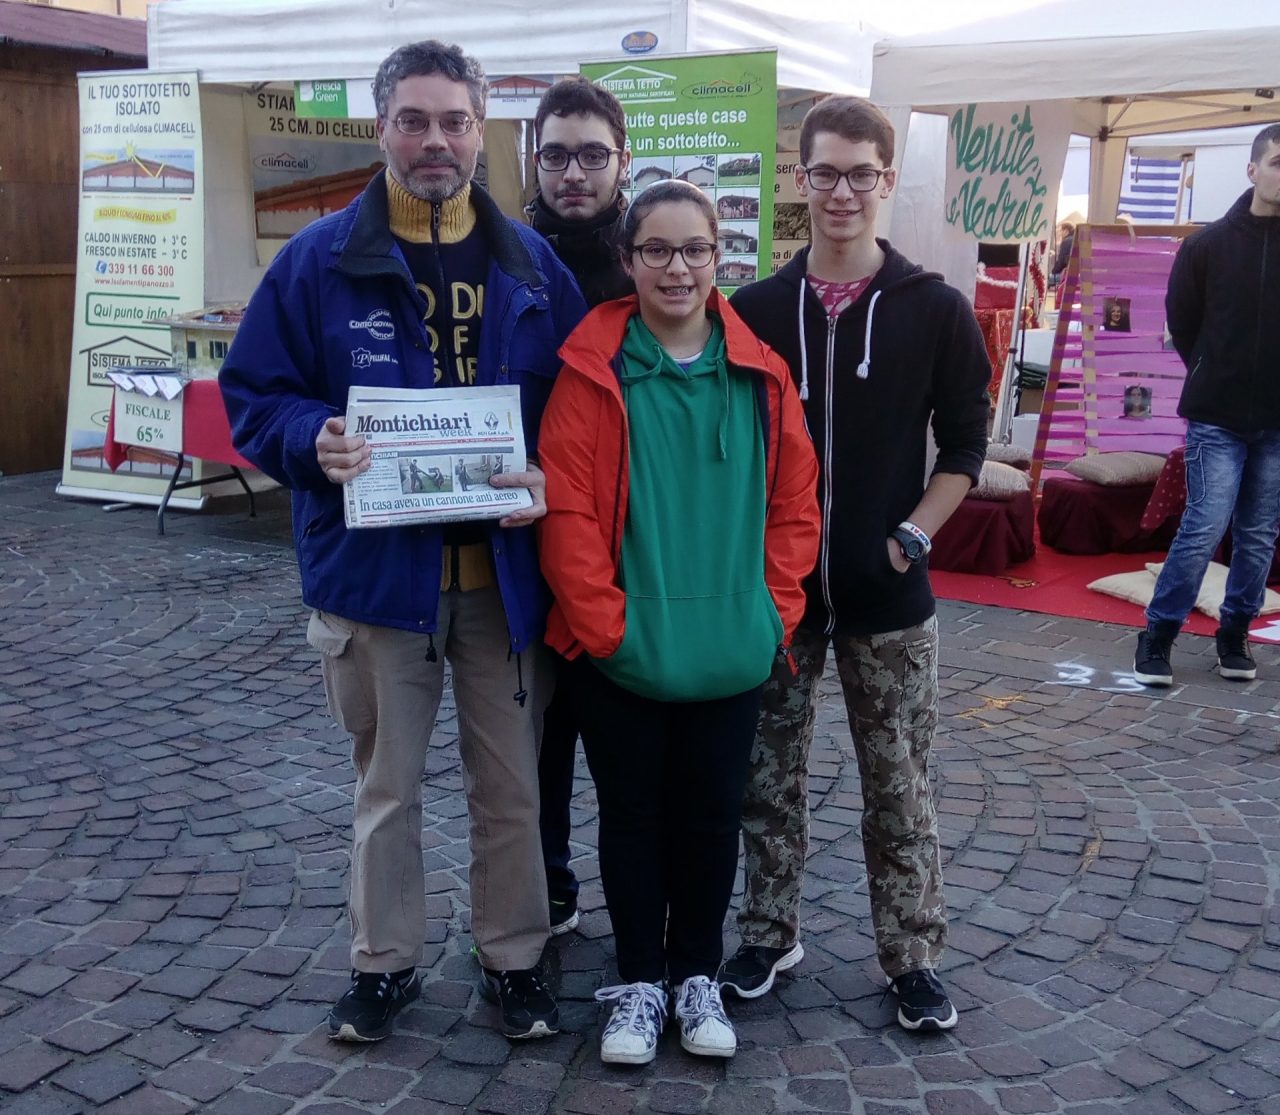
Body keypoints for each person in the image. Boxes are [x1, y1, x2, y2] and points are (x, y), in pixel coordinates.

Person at [218, 39, 587, 1044]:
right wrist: (310, 438)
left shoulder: (530, 262)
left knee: (510, 789)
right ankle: (382, 963)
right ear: (381, 126)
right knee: (386, 790)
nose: (436, 140)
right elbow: (254, 394)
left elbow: (578, 412)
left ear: (480, 132)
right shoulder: (316, 261)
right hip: (378, 581)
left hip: (504, 580)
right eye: (414, 120)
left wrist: (554, 481)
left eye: (454, 121)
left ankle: (512, 957)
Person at [720, 96, 990, 1033]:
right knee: (766, 776)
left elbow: (964, 447)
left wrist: (910, 536)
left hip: (889, 592)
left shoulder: (936, 309)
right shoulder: (751, 312)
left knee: (900, 783)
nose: (842, 191)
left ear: (884, 180)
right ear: (801, 180)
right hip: (780, 595)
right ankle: (766, 930)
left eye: (861, 174)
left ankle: (911, 954)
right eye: (825, 172)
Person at [538, 180, 820, 1065]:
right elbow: (569, 512)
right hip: (622, 651)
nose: (677, 267)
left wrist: (768, 615)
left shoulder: (762, 376)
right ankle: (636, 980)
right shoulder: (592, 369)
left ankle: (695, 973)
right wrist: (606, 627)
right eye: (656, 249)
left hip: (730, 647)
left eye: (695, 249)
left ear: (720, 258)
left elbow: (796, 506)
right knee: (628, 815)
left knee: (710, 817)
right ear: (628, 260)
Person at [526, 77, 635, 937]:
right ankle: (550, 877)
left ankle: (644, 886)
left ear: (621, 160)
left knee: (632, 722)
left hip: (638, 530)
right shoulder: (505, 253)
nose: (573, 172)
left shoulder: (653, 257)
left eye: (591, 154)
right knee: (540, 727)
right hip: (527, 527)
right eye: (557, 153)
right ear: (535, 159)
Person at [1133, 123, 1280, 688]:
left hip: (1276, 420)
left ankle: (1234, 632)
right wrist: (1211, 371)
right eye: (1275, 163)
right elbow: (1184, 323)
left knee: (1260, 532)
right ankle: (1159, 633)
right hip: (1217, 414)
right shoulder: (1207, 246)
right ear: (1252, 170)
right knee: (1204, 525)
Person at [1050, 221, 1075, 287]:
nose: (1060, 233)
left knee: (1047, 279)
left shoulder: (1066, 241)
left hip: (1067, 274)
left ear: (1066, 231)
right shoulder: (1075, 239)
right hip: (1075, 274)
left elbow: (1061, 262)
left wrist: (1053, 272)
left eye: (1061, 231)